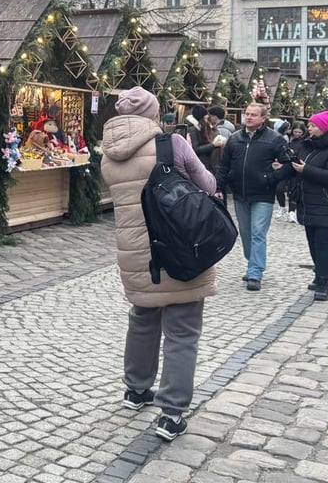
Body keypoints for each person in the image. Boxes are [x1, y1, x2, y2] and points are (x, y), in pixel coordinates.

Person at [100, 86, 217, 443]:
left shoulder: (109, 154)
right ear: (153, 114)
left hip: (136, 252)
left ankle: (136, 390)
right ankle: (171, 413)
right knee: (182, 331)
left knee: (143, 320)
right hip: (180, 247)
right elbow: (208, 184)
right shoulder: (172, 144)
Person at [216, 102, 289, 291]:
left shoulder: (275, 139)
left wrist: (271, 178)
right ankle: (252, 263)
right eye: (247, 113)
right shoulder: (234, 139)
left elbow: (289, 165)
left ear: (263, 118)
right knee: (246, 233)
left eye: (253, 115)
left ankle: (255, 272)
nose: (248, 117)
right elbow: (224, 166)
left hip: (263, 194)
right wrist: (219, 186)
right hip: (240, 193)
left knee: (258, 232)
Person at [277, 110, 328, 302]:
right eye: (309, 125)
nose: (309, 128)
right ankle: (319, 275)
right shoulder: (308, 147)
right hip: (308, 204)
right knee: (313, 244)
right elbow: (296, 166)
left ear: (324, 128)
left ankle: (324, 282)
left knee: (323, 245)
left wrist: (306, 170)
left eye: (313, 125)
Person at [185, 105, 224, 173]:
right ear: (201, 116)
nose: (208, 116)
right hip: (199, 165)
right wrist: (213, 145)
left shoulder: (199, 127)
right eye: (206, 114)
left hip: (202, 164)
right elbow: (195, 149)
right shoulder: (193, 129)